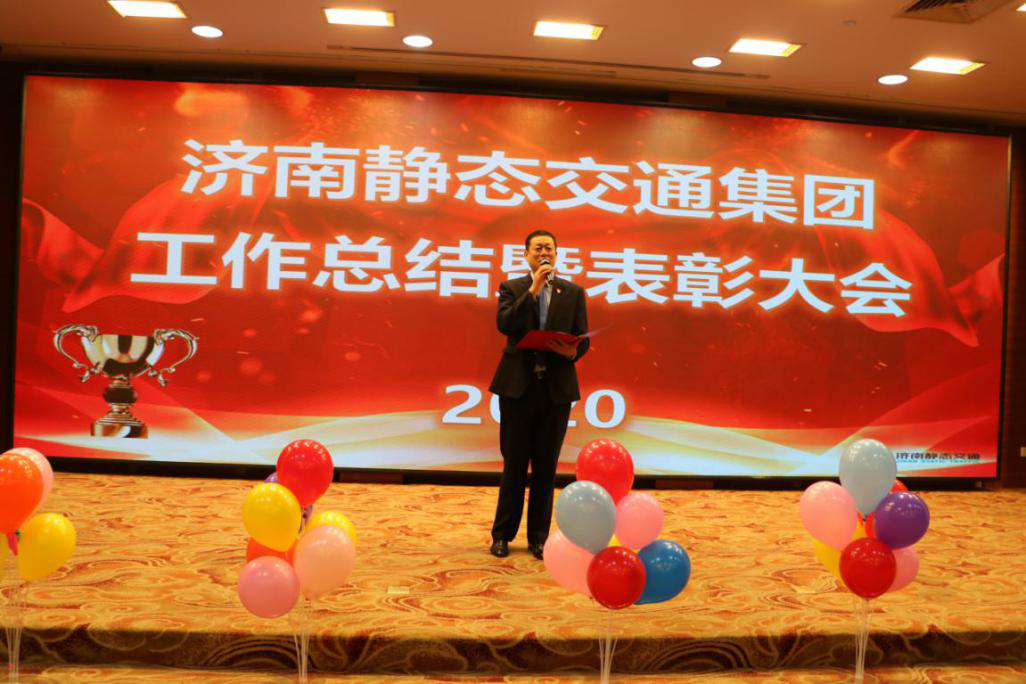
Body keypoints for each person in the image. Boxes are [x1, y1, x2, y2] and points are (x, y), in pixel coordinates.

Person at [488, 229, 590, 560]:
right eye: (538, 249)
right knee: (514, 465)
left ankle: (539, 538)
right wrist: (533, 289)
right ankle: (502, 535)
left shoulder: (573, 292)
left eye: (549, 249)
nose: (544, 253)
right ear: (527, 255)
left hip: (555, 391)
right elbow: (506, 324)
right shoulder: (512, 288)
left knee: (546, 468)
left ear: (557, 254)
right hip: (518, 389)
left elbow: (582, 338)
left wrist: (573, 351)